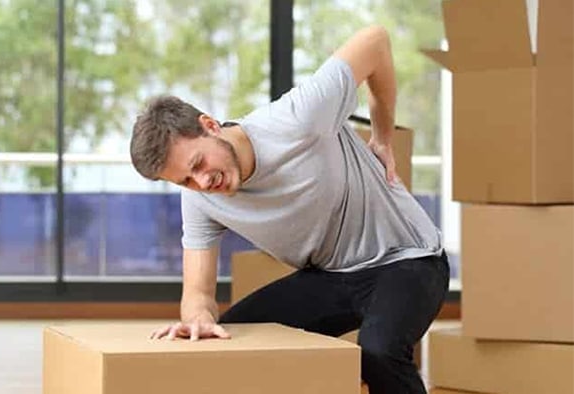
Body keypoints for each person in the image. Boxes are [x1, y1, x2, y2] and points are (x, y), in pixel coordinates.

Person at [129, 25, 449, 394]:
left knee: (378, 351)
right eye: (185, 180)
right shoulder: (201, 198)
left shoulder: (298, 117)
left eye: (199, 164)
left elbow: (375, 41)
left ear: (210, 126)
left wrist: (382, 136)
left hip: (409, 260)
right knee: (233, 344)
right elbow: (197, 294)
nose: (201, 183)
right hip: (332, 275)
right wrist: (198, 319)